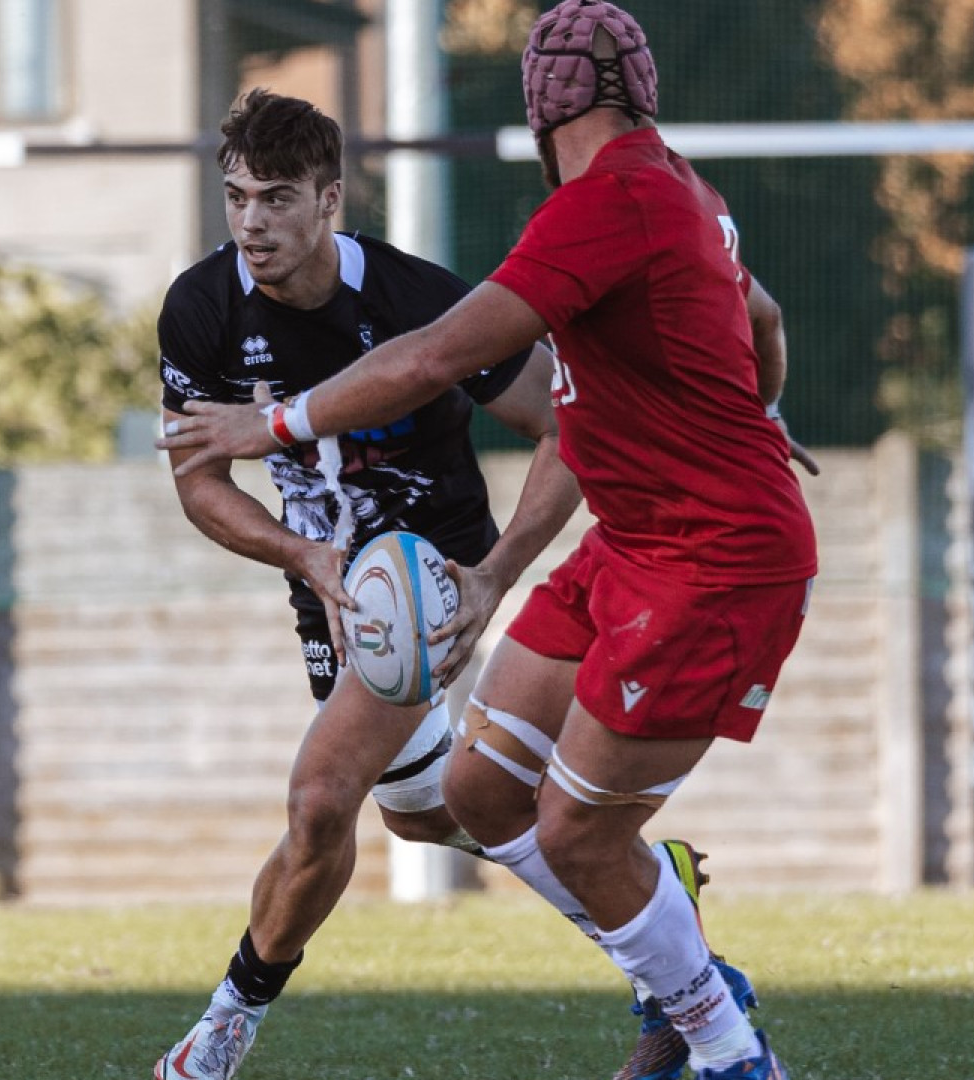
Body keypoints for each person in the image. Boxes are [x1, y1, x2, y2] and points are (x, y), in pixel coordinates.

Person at [159, 5, 820, 1079]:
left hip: (658, 561)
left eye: (276, 198)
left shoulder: (591, 212)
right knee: (456, 804)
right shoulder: (682, 188)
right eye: (237, 198)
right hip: (612, 546)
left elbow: (434, 365)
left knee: (491, 822)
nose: (252, 222)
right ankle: (672, 930)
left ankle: (731, 1052)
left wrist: (278, 429)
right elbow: (768, 321)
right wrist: (761, 417)